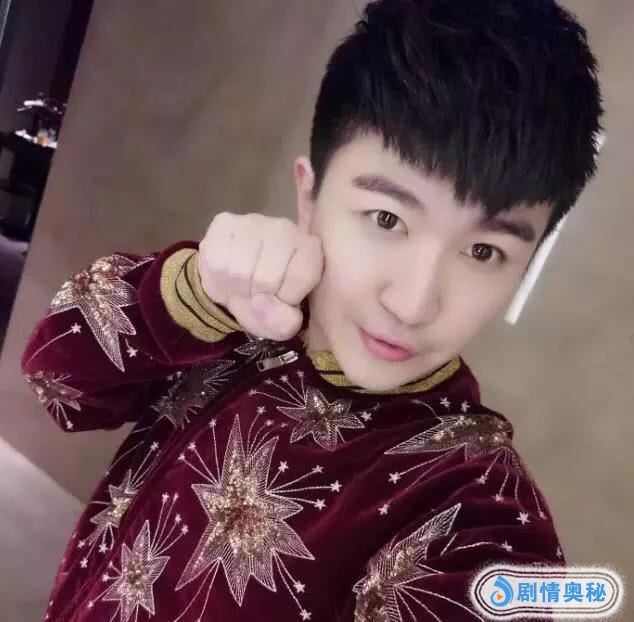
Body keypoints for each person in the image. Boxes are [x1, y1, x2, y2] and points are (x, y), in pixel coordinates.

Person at [22, 0, 603, 620]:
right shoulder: (227, 319)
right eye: (387, 219)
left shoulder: (473, 500)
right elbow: (58, 382)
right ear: (309, 197)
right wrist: (193, 292)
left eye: (483, 251)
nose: (412, 303)